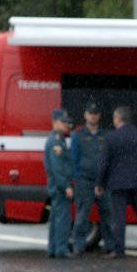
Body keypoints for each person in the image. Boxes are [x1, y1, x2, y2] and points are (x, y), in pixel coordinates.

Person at [96, 105, 137, 258]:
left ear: (117, 119)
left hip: (118, 183)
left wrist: (100, 183)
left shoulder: (111, 137)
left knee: (119, 218)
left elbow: (104, 163)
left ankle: (119, 249)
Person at [70, 101, 113, 254]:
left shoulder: (106, 135)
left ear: (99, 116)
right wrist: (78, 178)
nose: (92, 116)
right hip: (85, 181)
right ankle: (78, 246)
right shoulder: (78, 135)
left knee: (107, 216)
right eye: (90, 113)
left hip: (103, 182)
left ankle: (110, 247)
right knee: (82, 216)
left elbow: (109, 159)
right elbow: (74, 159)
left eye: (95, 114)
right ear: (85, 115)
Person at [43, 109, 76, 258]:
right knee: (63, 218)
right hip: (59, 186)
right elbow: (57, 168)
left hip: (56, 186)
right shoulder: (56, 141)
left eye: (66, 122)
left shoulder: (58, 139)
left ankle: (53, 248)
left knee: (56, 217)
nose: (66, 125)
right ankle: (61, 248)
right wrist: (66, 186)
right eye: (62, 122)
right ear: (54, 122)